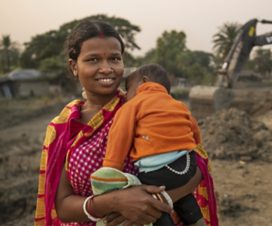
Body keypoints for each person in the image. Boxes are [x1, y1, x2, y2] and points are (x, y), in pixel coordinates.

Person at [34, 20, 217, 226]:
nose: (106, 68)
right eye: (93, 60)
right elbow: (64, 207)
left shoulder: (148, 108)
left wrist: (156, 201)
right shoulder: (64, 127)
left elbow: (196, 162)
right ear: (73, 66)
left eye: (114, 59)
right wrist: (114, 203)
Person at [99, 64, 204, 226]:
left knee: (146, 199)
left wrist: (111, 172)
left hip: (158, 173)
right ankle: (197, 220)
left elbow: (119, 138)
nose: (126, 95)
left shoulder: (132, 106)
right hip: (188, 165)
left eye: (128, 89)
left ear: (144, 82)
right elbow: (195, 132)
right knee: (182, 195)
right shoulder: (178, 104)